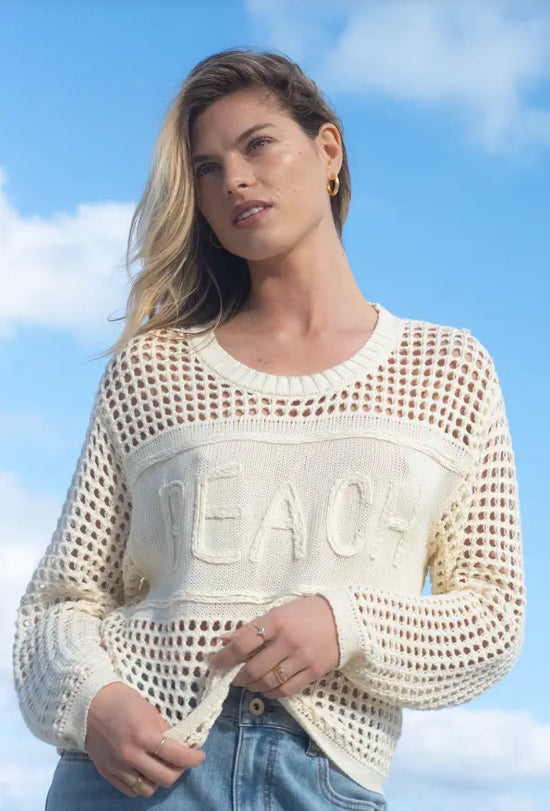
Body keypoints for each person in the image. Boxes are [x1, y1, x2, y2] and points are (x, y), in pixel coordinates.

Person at [12, 47, 526, 811]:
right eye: (208, 169)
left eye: (258, 145)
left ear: (328, 151)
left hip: (320, 779)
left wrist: (346, 624)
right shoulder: (152, 370)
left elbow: (492, 617)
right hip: (134, 773)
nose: (235, 180)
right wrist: (93, 701)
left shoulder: (448, 369)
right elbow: (58, 604)